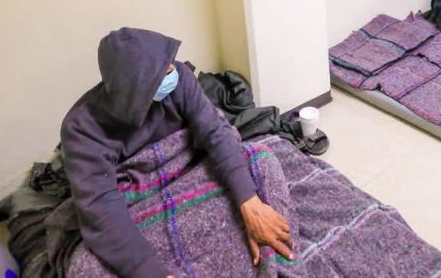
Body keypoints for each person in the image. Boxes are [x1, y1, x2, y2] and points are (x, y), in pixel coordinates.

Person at [61, 28, 293, 277]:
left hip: (191, 170)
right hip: (140, 197)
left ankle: (257, 230)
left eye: (169, 62)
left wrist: (249, 202)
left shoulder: (180, 77)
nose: (173, 69)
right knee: (85, 266)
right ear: (135, 90)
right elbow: (101, 207)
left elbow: (215, 132)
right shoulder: (81, 128)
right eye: (163, 71)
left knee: (262, 157)